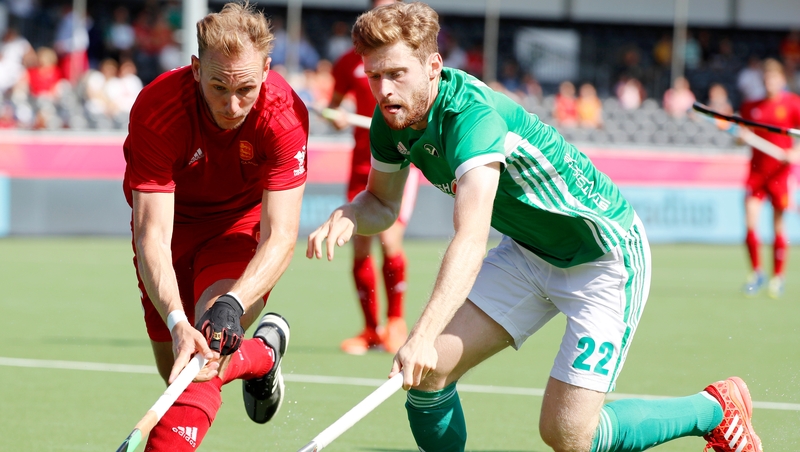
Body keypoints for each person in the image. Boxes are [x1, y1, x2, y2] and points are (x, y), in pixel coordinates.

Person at [307, 3, 763, 452]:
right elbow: (383, 202)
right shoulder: (393, 120)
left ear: (432, 66)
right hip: (527, 252)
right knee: (428, 378)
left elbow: (471, 236)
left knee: (567, 436)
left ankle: (714, 409)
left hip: (603, 258)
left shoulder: (473, 116)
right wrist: (351, 212)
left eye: (395, 74)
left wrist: (423, 334)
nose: (383, 90)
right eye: (374, 76)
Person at [123, 2, 307, 450]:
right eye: (218, 85)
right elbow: (152, 234)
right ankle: (262, 354)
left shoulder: (284, 115)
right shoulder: (157, 109)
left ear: (266, 69)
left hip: (238, 227)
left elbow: (282, 235)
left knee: (203, 358)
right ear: (194, 68)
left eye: (245, 88)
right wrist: (173, 317)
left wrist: (232, 301)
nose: (231, 104)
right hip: (173, 228)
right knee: (175, 366)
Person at [325, 0, 417, 355]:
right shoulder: (349, 62)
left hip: (401, 161)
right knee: (360, 246)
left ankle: (396, 323)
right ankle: (370, 331)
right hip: (360, 165)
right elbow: (334, 105)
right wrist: (337, 116)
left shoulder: (409, 60)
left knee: (390, 240)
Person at [738, 58, 800, 299]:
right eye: (766, 79)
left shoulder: (793, 104)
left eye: (774, 79)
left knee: (777, 226)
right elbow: (741, 135)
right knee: (750, 222)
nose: (769, 83)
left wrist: (794, 153)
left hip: (780, 174)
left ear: (782, 80)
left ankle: (778, 277)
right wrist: (740, 138)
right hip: (756, 173)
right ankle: (756, 273)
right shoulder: (751, 107)